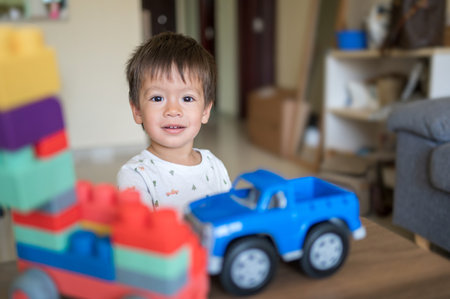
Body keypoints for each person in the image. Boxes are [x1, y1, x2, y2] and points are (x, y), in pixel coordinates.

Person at [117, 32, 231, 214]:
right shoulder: (136, 175)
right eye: (157, 98)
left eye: (187, 98)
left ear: (205, 111)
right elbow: (141, 235)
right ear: (137, 110)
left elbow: (229, 214)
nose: (172, 110)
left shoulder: (214, 166)